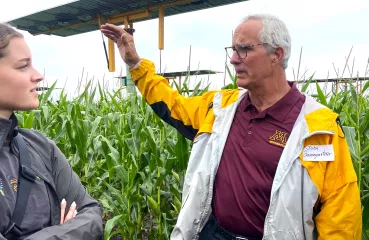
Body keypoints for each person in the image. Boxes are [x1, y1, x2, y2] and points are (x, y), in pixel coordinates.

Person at [101, 13, 362, 240]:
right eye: (233, 50)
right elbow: (172, 105)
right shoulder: (220, 109)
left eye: (244, 49)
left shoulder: (319, 129)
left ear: (277, 54)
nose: (234, 59)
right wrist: (136, 64)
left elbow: (340, 218)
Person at [0, 23, 103, 239]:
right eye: (22, 66)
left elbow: (92, 214)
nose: (38, 76)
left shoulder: (40, 147)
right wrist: (64, 230)